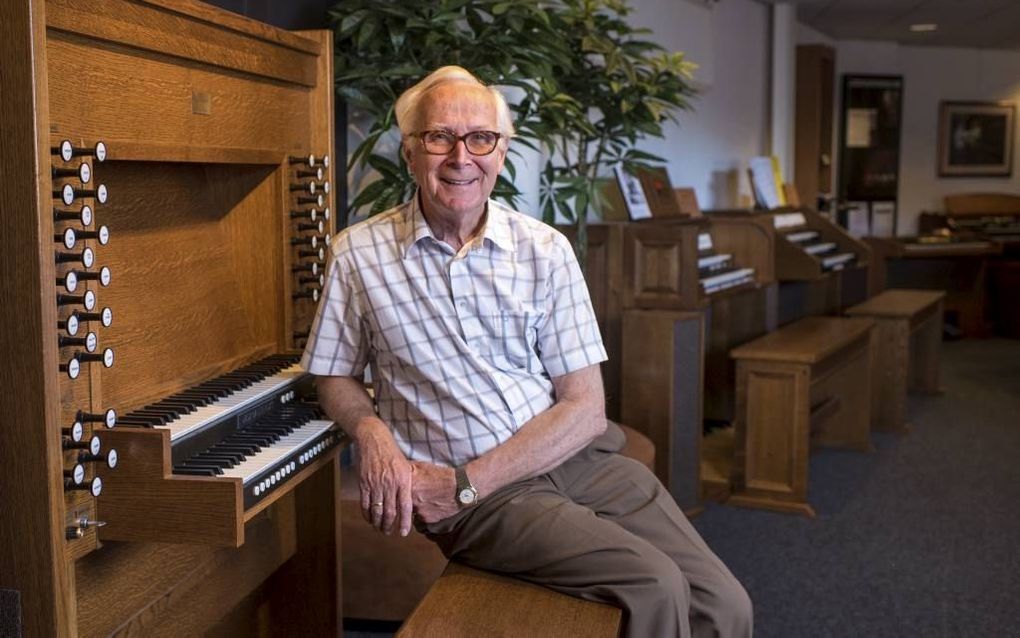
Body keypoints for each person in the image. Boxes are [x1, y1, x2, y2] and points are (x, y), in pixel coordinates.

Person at [302, 65, 752, 637]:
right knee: (654, 585)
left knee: (725, 604)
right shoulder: (357, 255)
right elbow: (333, 375)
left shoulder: (545, 250)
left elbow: (585, 408)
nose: (460, 158)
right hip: (478, 501)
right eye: (439, 137)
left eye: (480, 138)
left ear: (502, 151)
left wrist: (468, 481)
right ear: (410, 152)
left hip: (574, 461)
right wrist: (371, 433)